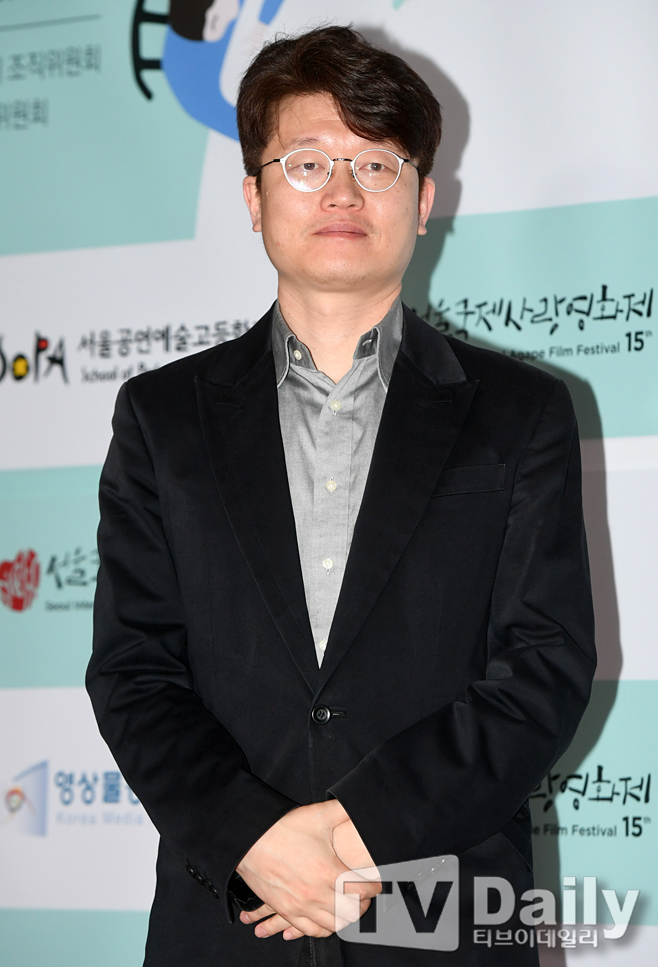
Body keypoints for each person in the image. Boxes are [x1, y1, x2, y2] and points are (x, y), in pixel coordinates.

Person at [86, 25, 596, 967]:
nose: (343, 192)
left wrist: (363, 832)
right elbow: (133, 670)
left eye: (377, 164)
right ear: (254, 196)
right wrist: (254, 837)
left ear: (424, 199)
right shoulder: (162, 418)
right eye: (309, 162)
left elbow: (545, 665)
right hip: (228, 922)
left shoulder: (520, 413)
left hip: (442, 917)